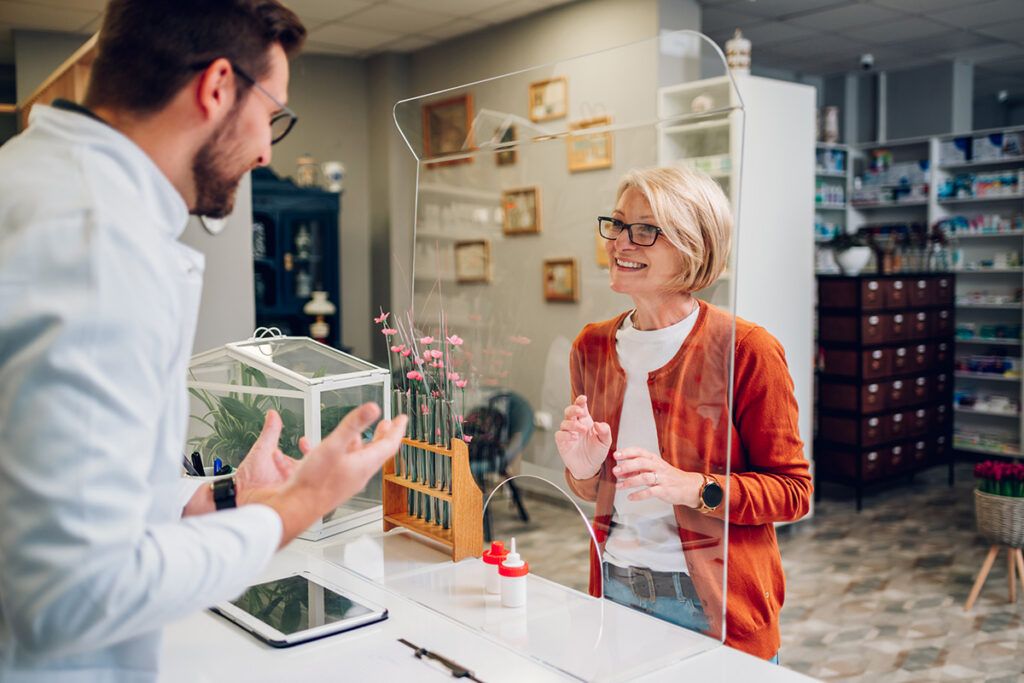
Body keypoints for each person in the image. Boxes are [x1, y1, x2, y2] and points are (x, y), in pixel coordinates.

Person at [0, 2, 407, 679]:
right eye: (271, 112)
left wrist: (217, 497)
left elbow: (40, 477)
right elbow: (70, 593)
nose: (266, 150)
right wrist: (296, 507)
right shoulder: (102, 245)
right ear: (217, 86)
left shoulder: (26, 176)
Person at [555, 165, 812, 661]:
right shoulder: (591, 345)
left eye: (646, 230)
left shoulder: (748, 349)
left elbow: (793, 492)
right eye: (618, 224)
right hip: (615, 589)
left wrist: (693, 486)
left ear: (693, 246)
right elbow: (595, 491)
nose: (621, 243)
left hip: (713, 606)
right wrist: (584, 470)